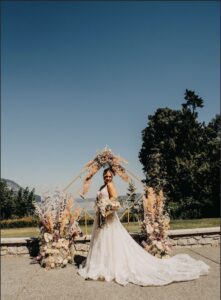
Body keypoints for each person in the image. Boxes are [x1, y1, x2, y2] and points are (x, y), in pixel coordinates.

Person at [77, 167, 210, 286]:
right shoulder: (102, 186)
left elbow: (115, 201)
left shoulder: (111, 185)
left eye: (109, 176)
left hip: (108, 219)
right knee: (103, 243)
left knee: (110, 242)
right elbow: (102, 200)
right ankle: (102, 266)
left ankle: (106, 267)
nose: (108, 178)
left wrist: (106, 209)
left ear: (112, 177)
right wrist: (99, 207)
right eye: (106, 176)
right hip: (101, 218)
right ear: (103, 177)